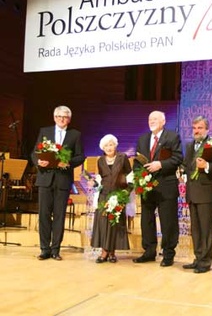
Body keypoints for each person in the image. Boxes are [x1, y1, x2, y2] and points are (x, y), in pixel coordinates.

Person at [31, 105, 85, 261]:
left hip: (62, 180)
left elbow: (81, 156)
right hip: (45, 178)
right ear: (54, 117)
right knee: (44, 215)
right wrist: (38, 161)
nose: (62, 119)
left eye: (65, 117)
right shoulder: (45, 131)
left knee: (60, 215)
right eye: (59, 116)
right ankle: (44, 249)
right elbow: (34, 152)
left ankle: (55, 249)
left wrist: (67, 162)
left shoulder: (75, 134)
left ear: (69, 119)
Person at [132, 110, 183, 267]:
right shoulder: (143, 139)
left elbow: (178, 157)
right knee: (146, 220)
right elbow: (137, 162)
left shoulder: (172, 137)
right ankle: (149, 251)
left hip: (166, 185)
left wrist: (160, 164)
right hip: (147, 187)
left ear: (163, 121)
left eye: (155, 119)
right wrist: (139, 178)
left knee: (168, 221)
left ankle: (168, 253)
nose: (151, 121)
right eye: (149, 119)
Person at [182, 116, 212, 273]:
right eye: (194, 128)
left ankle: (205, 262)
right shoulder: (189, 145)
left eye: (199, 128)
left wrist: (207, 165)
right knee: (196, 229)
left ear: (206, 129)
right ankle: (198, 258)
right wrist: (182, 171)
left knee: (206, 229)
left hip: (206, 192)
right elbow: (186, 164)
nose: (196, 131)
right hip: (192, 192)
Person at [89, 134, 132, 263]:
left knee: (115, 223)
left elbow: (130, 176)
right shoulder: (100, 160)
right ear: (103, 148)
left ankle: (112, 253)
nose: (109, 147)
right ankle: (104, 252)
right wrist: (94, 183)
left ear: (115, 145)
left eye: (111, 144)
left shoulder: (123, 157)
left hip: (118, 195)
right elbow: (100, 179)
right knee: (102, 223)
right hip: (104, 195)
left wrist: (126, 192)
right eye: (106, 145)